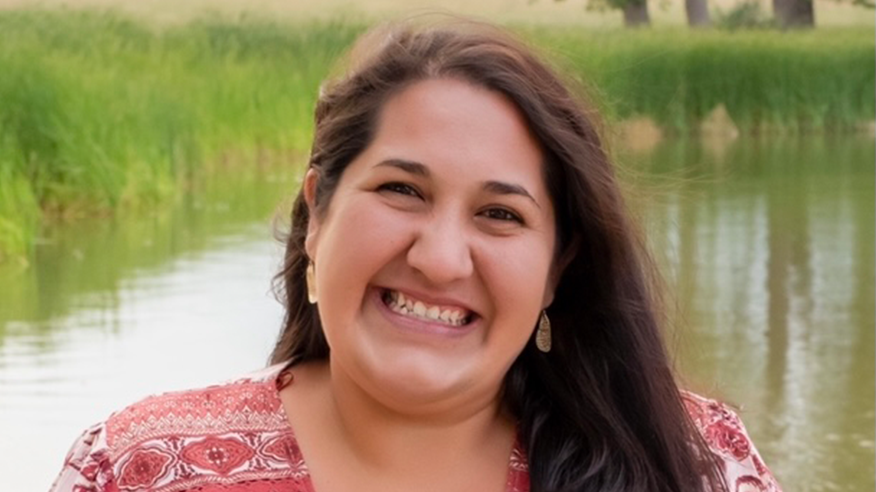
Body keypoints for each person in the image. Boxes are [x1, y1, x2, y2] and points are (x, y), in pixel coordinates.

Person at [51, 19, 782, 492]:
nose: (439, 259)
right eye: (402, 190)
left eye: (500, 214)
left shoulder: (698, 462)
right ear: (317, 214)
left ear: (559, 266)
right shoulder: (135, 469)